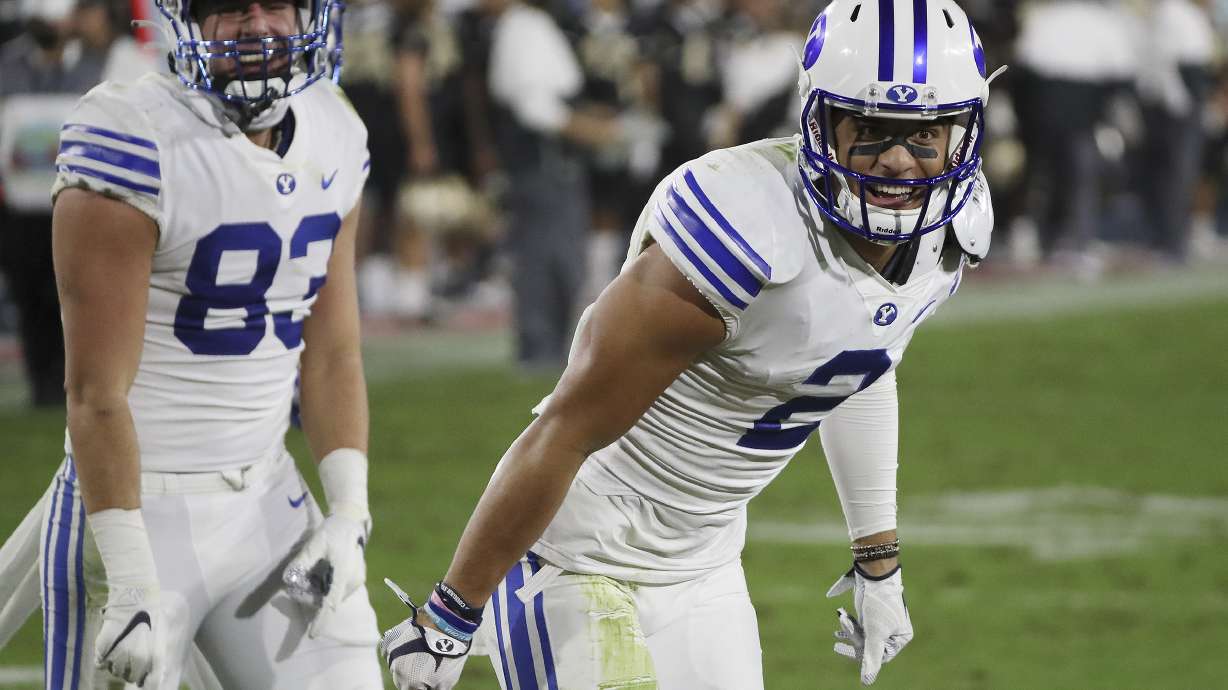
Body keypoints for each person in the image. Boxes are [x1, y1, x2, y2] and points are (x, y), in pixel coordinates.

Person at [380, 1, 1001, 688]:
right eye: (871, 129)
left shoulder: (945, 242)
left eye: (923, 135)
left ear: (962, 133)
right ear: (820, 120)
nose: (897, 161)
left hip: (704, 564)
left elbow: (856, 363)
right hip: (575, 558)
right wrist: (450, 614)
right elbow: (565, 428)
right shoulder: (748, 226)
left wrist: (879, 563)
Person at [39, 1, 382, 688]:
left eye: (275, 4)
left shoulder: (335, 128)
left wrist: (348, 512)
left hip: (267, 501)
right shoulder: (133, 136)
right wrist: (129, 574)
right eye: (228, 7)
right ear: (182, 22)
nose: (257, 25)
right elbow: (96, 393)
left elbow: (333, 353)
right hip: (135, 508)